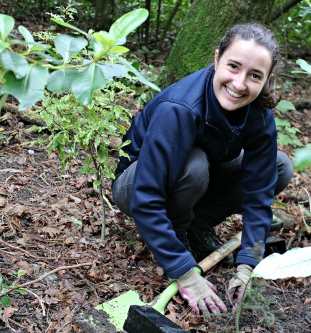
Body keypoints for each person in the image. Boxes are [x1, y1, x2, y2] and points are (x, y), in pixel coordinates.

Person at [112, 22, 293, 316]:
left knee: (279, 165)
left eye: (254, 76)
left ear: (267, 80)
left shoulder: (259, 113)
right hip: (135, 186)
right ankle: (177, 233)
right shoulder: (180, 109)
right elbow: (145, 197)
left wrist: (248, 263)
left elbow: (259, 193)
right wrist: (183, 271)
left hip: (202, 174)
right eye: (233, 66)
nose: (239, 84)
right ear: (217, 58)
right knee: (194, 166)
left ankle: (198, 223)